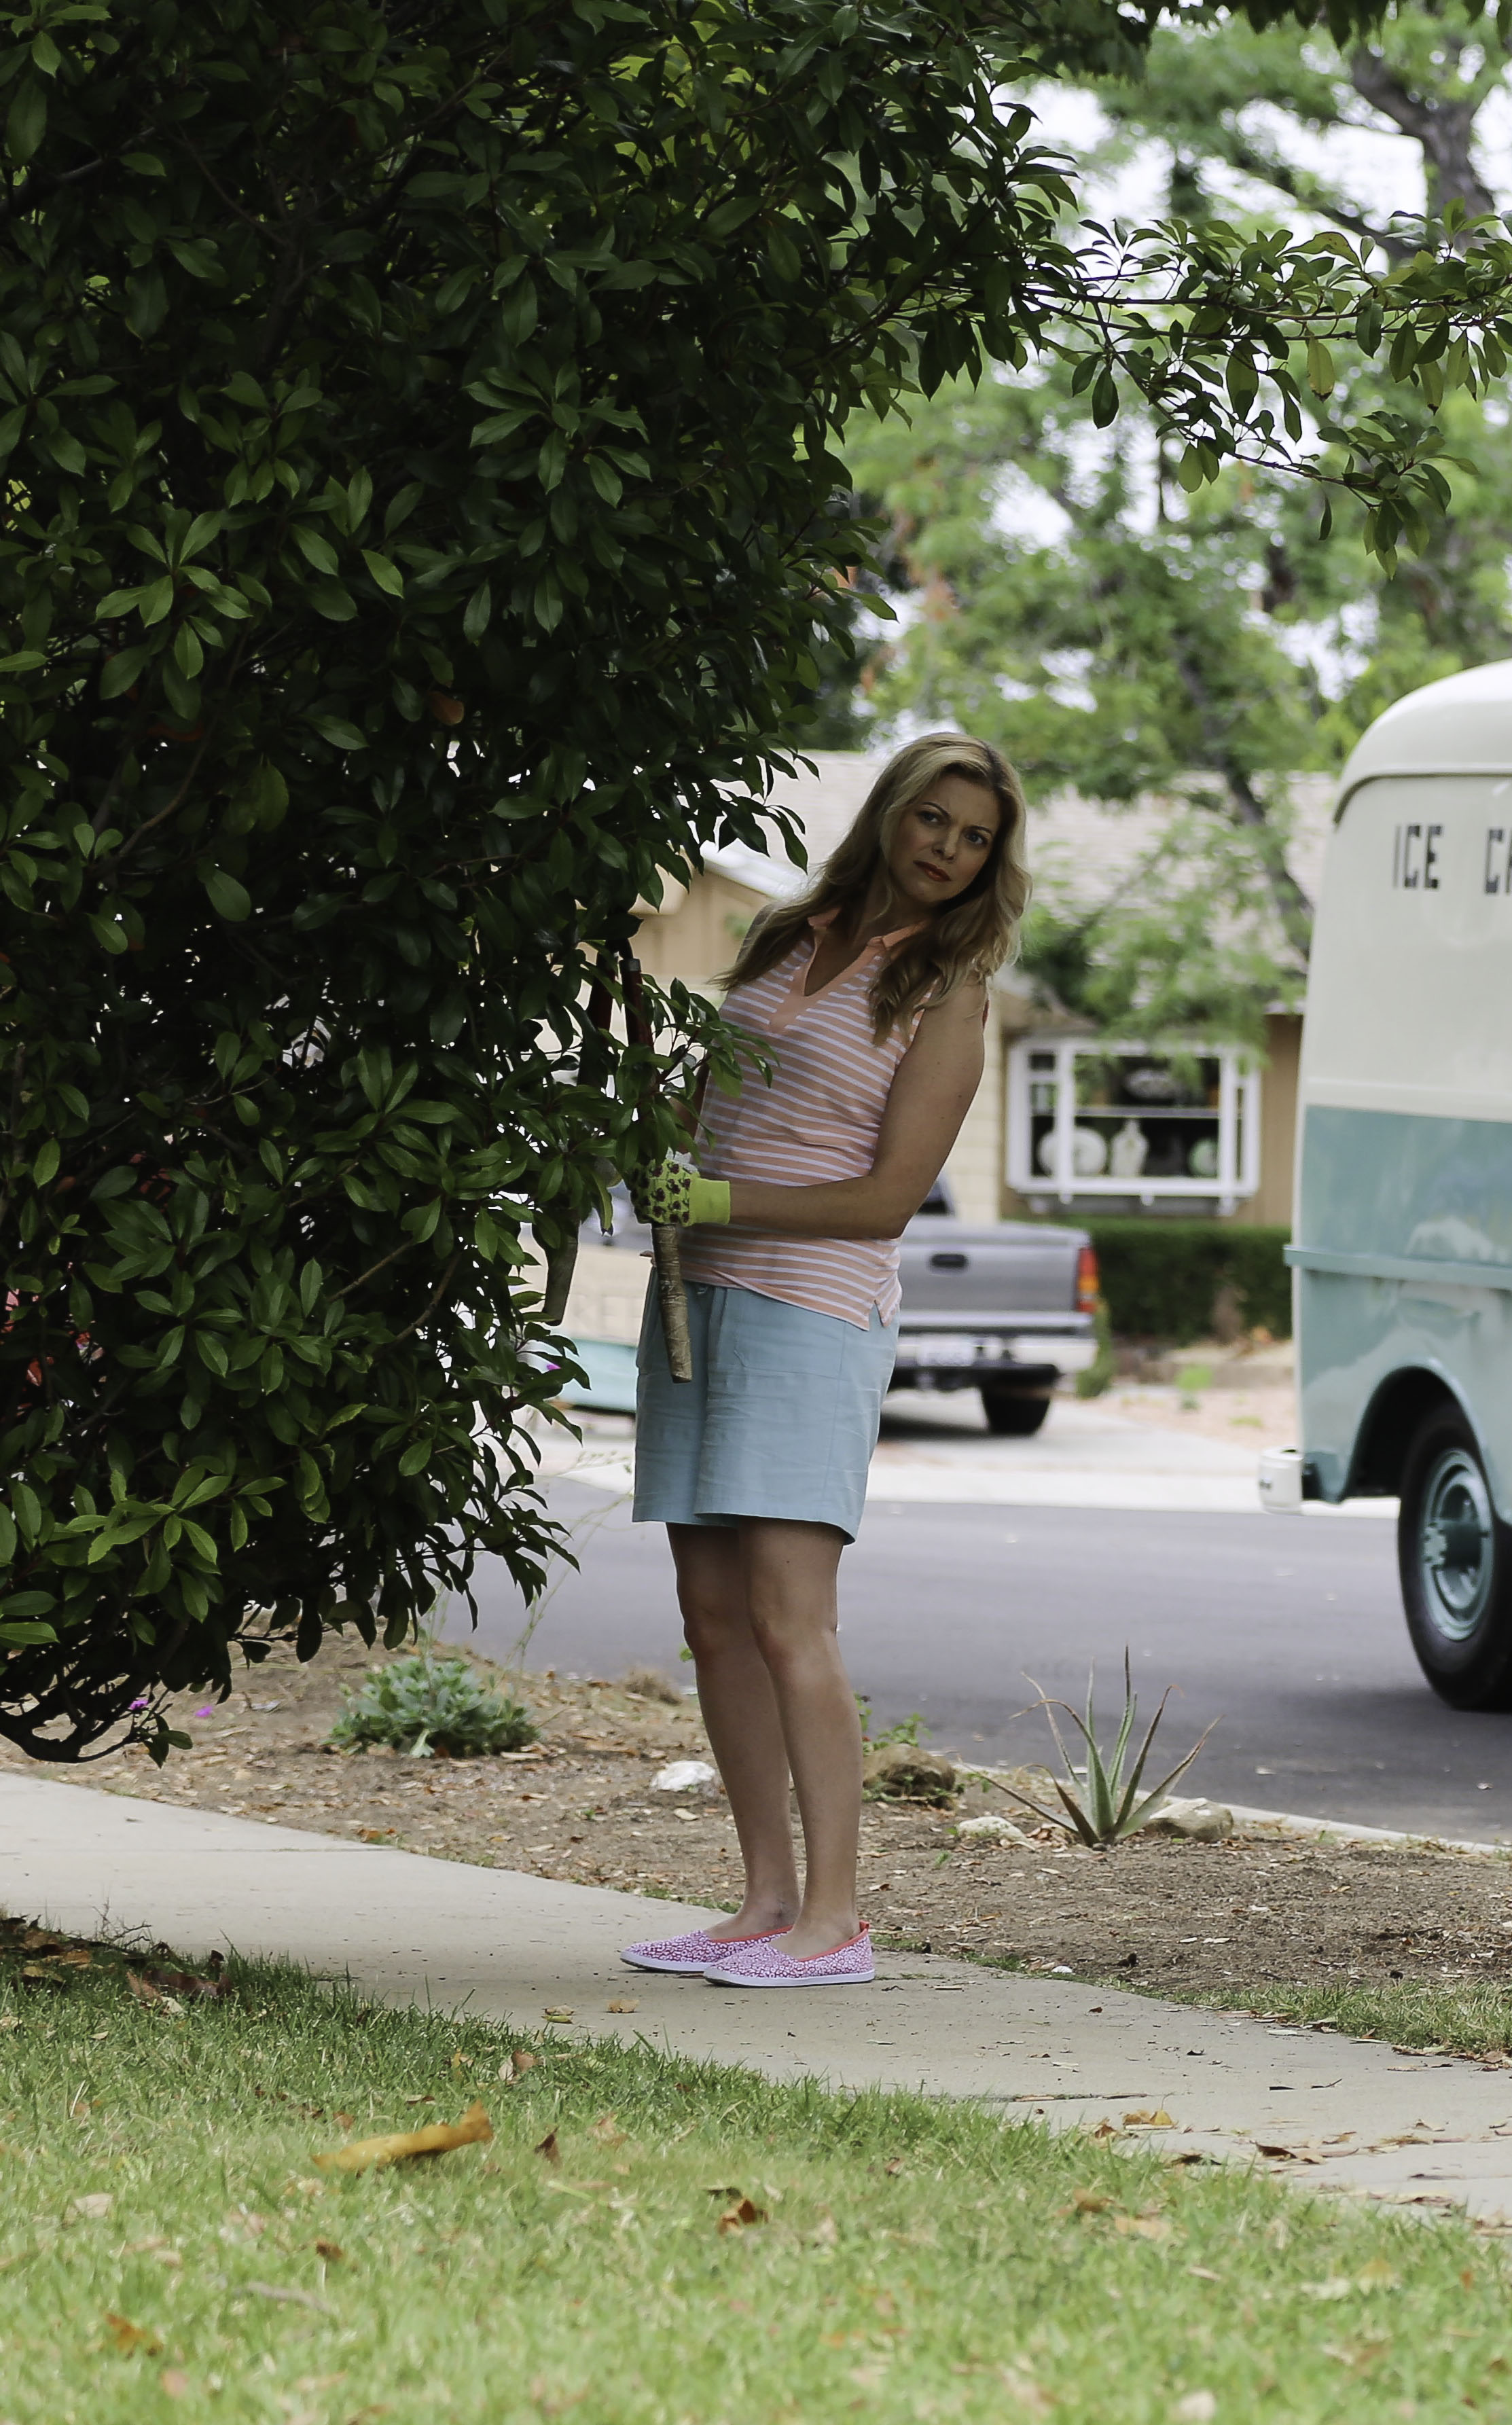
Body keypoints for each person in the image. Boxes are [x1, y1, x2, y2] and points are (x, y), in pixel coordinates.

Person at [615, 735, 1026, 1989]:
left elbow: (886, 1199)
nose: (947, 850)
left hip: (811, 1309)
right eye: (934, 820)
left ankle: (836, 1918)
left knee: (792, 1619)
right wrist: (654, 1148)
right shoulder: (796, 932)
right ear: (892, 809)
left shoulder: (948, 992)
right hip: (697, 1292)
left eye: (974, 838)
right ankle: (761, 1904)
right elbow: (710, 1100)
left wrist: (718, 1192)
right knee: (714, 1617)